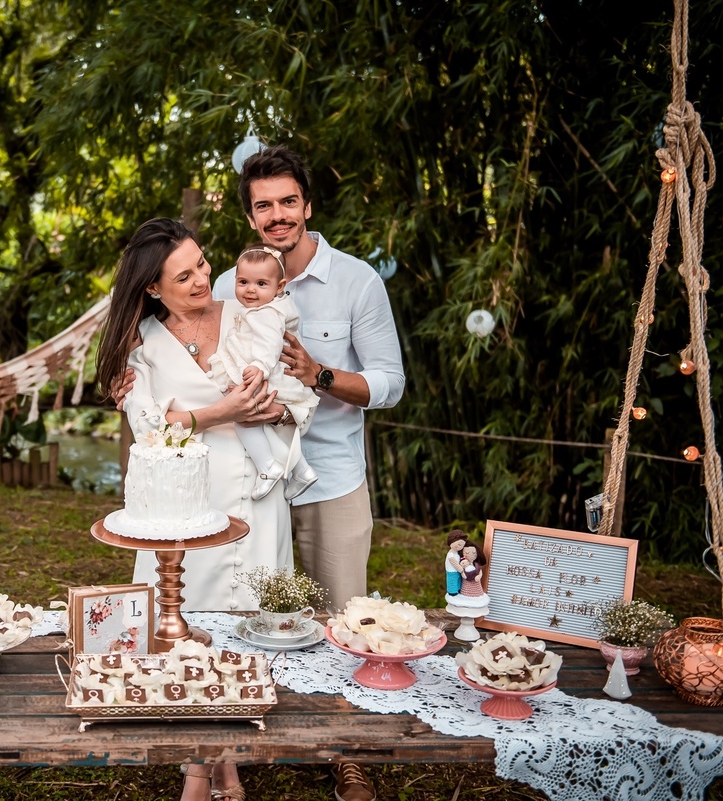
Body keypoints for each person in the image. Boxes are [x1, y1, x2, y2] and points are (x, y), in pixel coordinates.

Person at [212, 144, 405, 801]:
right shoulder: (226, 285)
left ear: (308, 205)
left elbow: (390, 382)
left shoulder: (356, 282)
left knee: (341, 616)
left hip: (330, 473)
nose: (277, 215)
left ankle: (344, 749)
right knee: (237, 608)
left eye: (287, 201)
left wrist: (316, 374)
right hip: (248, 476)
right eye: (263, 205)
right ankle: (231, 745)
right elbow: (186, 347)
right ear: (250, 215)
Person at [98, 217, 293, 801]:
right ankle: (197, 764)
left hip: (257, 494)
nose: (205, 278)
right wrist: (223, 412)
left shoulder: (251, 314)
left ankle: (227, 750)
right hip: (186, 502)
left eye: (204, 264)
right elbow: (149, 425)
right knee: (188, 621)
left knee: (250, 619)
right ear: (153, 288)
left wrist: (276, 410)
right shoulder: (144, 346)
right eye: (184, 276)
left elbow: (295, 396)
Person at [208, 244, 319, 501]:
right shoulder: (265, 308)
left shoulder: (268, 314)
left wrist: (259, 366)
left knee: (242, 418)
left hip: (267, 374)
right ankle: (301, 469)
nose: (250, 289)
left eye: (260, 284)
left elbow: (270, 345)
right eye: (243, 281)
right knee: (267, 428)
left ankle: (268, 467)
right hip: (266, 373)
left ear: (279, 287)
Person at [444, 530, 467, 596]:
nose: (460, 547)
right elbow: (455, 564)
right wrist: (461, 570)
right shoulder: (451, 555)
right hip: (452, 572)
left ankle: (458, 589)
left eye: (462, 545)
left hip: (457, 572)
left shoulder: (456, 553)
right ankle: (452, 592)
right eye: (459, 544)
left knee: (458, 581)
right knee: (452, 582)